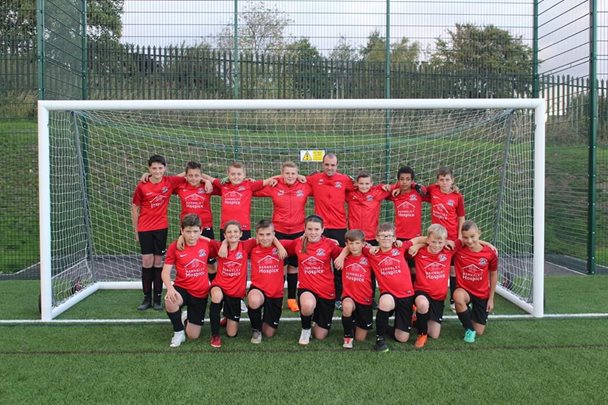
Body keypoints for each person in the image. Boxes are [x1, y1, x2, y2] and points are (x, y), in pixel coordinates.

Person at [254, 161, 313, 312]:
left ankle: (292, 299)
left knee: (294, 266)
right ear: (282, 173)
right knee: (280, 266)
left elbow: (320, 185)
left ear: (297, 173)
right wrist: (273, 178)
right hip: (279, 232)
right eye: (287, 173)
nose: (290, 176)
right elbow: (254, 188)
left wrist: (302, 177)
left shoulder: (304, 186)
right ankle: (277, 297)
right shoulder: (275, 186)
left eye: (293, 173)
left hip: (298, 232)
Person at [131, 154, 185, 311]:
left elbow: (188, 175)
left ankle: (157, 299)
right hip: (145, 228)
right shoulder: (142, 185)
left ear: (165, 168)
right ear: (149, 169)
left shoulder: (169, 182)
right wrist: (136, 230)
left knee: (158, 262)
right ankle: (146, 298)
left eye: (160, 168)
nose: (157, 171)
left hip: (161, 227)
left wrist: (207, 181)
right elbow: (134, 207)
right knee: (147, 262)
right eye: (154, 168)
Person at [281, 215, 343, 345]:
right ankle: (305, 329)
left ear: (322, 230)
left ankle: (316, 319)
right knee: (308, 305)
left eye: (316, 229)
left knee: (320, 336)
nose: (313, 232)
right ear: (304, 229)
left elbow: (347, 250)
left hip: (327, 291)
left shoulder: (330, 244)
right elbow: (275, 240)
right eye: (309, 229)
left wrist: (343, 255)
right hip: (307, 288)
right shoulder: (298, 242)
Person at [363, 222, 425, 352]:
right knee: (384, 302)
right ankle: (379, 340)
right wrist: (341, 256)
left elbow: (421, 239)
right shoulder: (372, 252)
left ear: (395, 238)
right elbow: (354, 244)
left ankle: (386, 326)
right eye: (383, 236)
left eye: (389, 236)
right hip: (389, 294)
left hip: (407, 296)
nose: (386, 239)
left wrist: (419, 245)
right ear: (377, 237)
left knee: (402, 338)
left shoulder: (400, 249)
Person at [306, 153, 354, 309]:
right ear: (322, 164)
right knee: (320, 262)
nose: (330, 168)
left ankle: (339, 296)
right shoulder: (314, 179)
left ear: (337, 165)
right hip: (321, 229)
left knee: (340, 263)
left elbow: (362, 187)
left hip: (339, 227)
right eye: (327, 164)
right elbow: (294, 179)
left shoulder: (345, 180)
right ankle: (320, 294)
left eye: (333, 165)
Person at [161, 214, 216, 347]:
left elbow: (224, 245)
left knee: (193, 335)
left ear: (201, 231)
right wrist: (170, 288)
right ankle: (178, 332)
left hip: (200, 293)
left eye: (195, 232)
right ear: (182, 230)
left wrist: (198, 237)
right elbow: (165, 272)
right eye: (188, 232)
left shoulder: (207, 244)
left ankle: (186, 317)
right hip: (182, 288)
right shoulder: (175, 246)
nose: (192, 236)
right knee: (170, 300)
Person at [423, 166, 465, 310]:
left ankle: (454, 300)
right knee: (433, 267)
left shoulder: (457, 197)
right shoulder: (433, 190)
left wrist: (458, 238)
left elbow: (461, 218)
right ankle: (427, 296)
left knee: (453, 270)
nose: (445, 182)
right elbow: (421, 190)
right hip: (435, 237)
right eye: (441, 180)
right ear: (437, 181)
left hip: (451, 238)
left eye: (447, 180)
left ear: (452, 181)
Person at [409, 224, 454, 349]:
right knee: (423, 304)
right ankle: (422, 334)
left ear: (445, 242)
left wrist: (489, 245)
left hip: (438, 297)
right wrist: (419, 245)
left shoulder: (449, 251)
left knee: (434, 334)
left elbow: (465, 241)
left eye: (440, 242)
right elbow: (409, 245)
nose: (437, 245)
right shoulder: (419, 252)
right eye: (433, 241)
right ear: (427, 240)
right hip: (421, 292)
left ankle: (416, 318)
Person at [453, 220, 498, 343]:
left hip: (481, 294)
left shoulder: (489, 253)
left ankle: (469, 314)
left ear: (479, 233)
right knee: (457, 296)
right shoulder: (458, 249)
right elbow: (441, 242)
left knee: (480, 331)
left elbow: (493, 275)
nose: (469, 241)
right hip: (464, 291)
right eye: (465, 237)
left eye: (472, 236)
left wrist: (491, 298)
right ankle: (469, 329)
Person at [173, 161, 219, 277]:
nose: (194, 179)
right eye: (190, 175)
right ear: (186, 176)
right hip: (187, 230)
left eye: (197, 175)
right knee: (185, 261)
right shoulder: (180, 186)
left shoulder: (207, 187)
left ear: (201, 175)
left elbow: (222, 185)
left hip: (205, 228)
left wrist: (206, 180)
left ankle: (213, 291)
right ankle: (187, 288)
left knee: (211, 265)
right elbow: (169, 181)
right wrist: (185, 174)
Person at [246, 220, 288, 344]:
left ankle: (265, 319)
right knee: (253, 300)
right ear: (256, 235)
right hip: (258, 289)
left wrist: (279, 245)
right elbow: (232, 242)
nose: (265, 238)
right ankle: (256, 330)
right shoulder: (252, 246)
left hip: (276, 294)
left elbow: (302, 241)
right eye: (261, 235)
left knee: (269, 333)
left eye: (268, 234)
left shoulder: (283, 245)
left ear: (274, 234)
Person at [210, 162, 275, 241]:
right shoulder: (223, 185)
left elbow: (268, 180)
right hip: (225, 227)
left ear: (244, 175)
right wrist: (205, 181)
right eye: (233, 174)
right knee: (225, 251)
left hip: (243, 227)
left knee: (244, 252)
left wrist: (277, 179)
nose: (236, 177)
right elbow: (207, 178)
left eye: (239, 174)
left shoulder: (249, 185)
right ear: (228, 174)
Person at [336, 229, 374, 349]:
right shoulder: (343, 257)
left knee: (360, 338)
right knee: (346, 307)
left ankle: (353, 322)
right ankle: (347, 336)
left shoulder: (369, 256)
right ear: (346, 244)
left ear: (363, 244)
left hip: (365, 299)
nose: (354, 246)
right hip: (349, 296)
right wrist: (341, 256)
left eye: (357, 243)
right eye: (350, 243)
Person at [390, 166, 426, 283]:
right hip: (399, 236)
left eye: (408, 179)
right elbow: (382, 190)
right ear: (398, 180)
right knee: (401, 267)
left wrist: (415, 185)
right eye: (402, 179)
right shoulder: (395, 194)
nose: (404, 182)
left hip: (415, 237)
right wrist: (396, 187)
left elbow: (426, 190)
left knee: (414, 269)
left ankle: (415, 294)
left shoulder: (418, 193)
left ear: (411, 180)